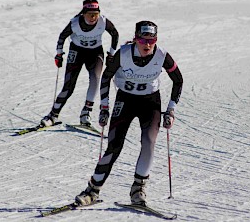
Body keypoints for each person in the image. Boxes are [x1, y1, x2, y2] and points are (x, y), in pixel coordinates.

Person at [74, 20, 183, 206]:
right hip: (125, 100)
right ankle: (92, 190)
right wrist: (104, 107)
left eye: (152, 40)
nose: (148, 44)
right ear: (135, 39)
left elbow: (178, 80)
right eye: (143, 40)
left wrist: (171, 110)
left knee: (149, 141)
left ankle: (138, 189)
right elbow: (106, 78)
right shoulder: (123, 54)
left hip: (150, 102)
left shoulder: (162, 55)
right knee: (114, 145)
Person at [40, 0, 119, 127]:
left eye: (96, 14)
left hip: (95, 53)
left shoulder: (103, 22)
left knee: (95, 78)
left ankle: (85, 113)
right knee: (69, 85)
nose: (93, 17)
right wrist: (59, 54)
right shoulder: (75, 23)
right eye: (90, 14)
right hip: (77, 52)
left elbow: (115, 34)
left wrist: (112, 53)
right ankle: (53, 115)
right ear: (83, 13)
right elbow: (62, 36)